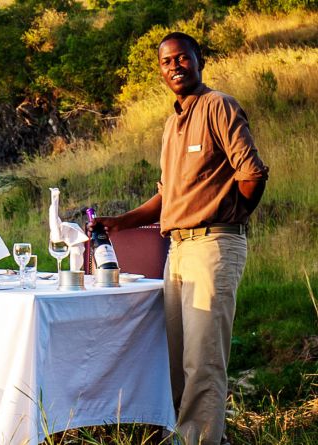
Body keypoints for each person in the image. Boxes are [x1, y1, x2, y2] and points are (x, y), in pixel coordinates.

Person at [91, 32, 268, 444]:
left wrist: (231, 216)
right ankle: (185, 435)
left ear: (198, 59)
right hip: (178, 249)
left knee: (203, 361)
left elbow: (252, 174)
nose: (174, 66)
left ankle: (200, 441)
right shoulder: (172, 124)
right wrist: (120, 222)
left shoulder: (218, 106)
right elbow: (167, 196)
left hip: (213, 246)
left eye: (181, 58)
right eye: (166, 61)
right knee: (175, 359)